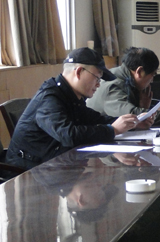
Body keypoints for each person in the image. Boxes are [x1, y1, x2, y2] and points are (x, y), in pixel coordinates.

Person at [6, 48, 139, 170]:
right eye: (97, 78)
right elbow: (68, 135)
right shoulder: (50, 98)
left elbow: (95, 119)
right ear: (79, 72)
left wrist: (132, 123)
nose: (98, 84)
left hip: (54, 166)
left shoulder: (70, 95)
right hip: (27, 173)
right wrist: (112, 130)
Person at [86, 47, 160, 125]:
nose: (152, 81)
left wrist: (142, 107)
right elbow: (131, 115)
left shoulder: (124, 78)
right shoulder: (113, 85)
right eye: (152, 75)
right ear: (139, 71)